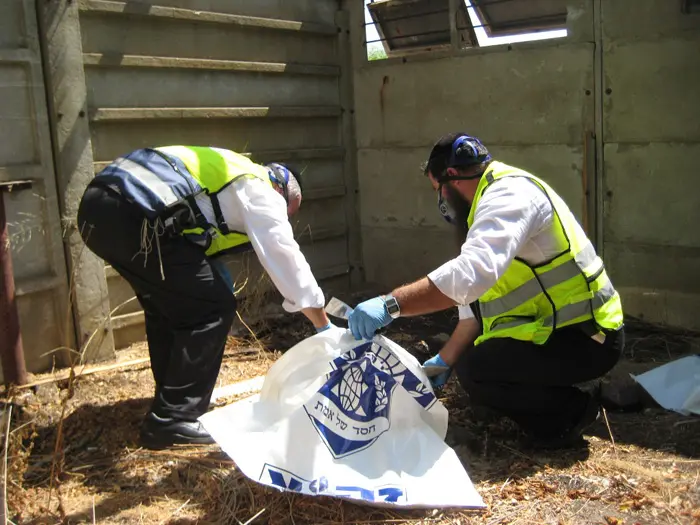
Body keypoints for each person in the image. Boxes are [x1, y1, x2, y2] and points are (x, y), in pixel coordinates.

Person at [347, 132, 625, 449]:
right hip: (561, 331)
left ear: (451, 177)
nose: (444, 203)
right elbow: (476, 306)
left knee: (478, 369)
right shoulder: (490, 204)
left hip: (589, 337)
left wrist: (391, 304)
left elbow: (470, 276)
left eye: (439, 192)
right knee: (472, 364)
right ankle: (556, 395)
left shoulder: (509, 197)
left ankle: (573, 413)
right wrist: (444, 360)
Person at [77, 145, 334, 449]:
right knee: (214, 306)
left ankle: (171, 402)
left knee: (169, 308)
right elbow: (285, 256)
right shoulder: (261, 187)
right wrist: (323, 325)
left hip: (100, 208)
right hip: (134, 210)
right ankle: (174, 419)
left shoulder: (229, 177)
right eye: (290, 210)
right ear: (284, 189)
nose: (287, 218)